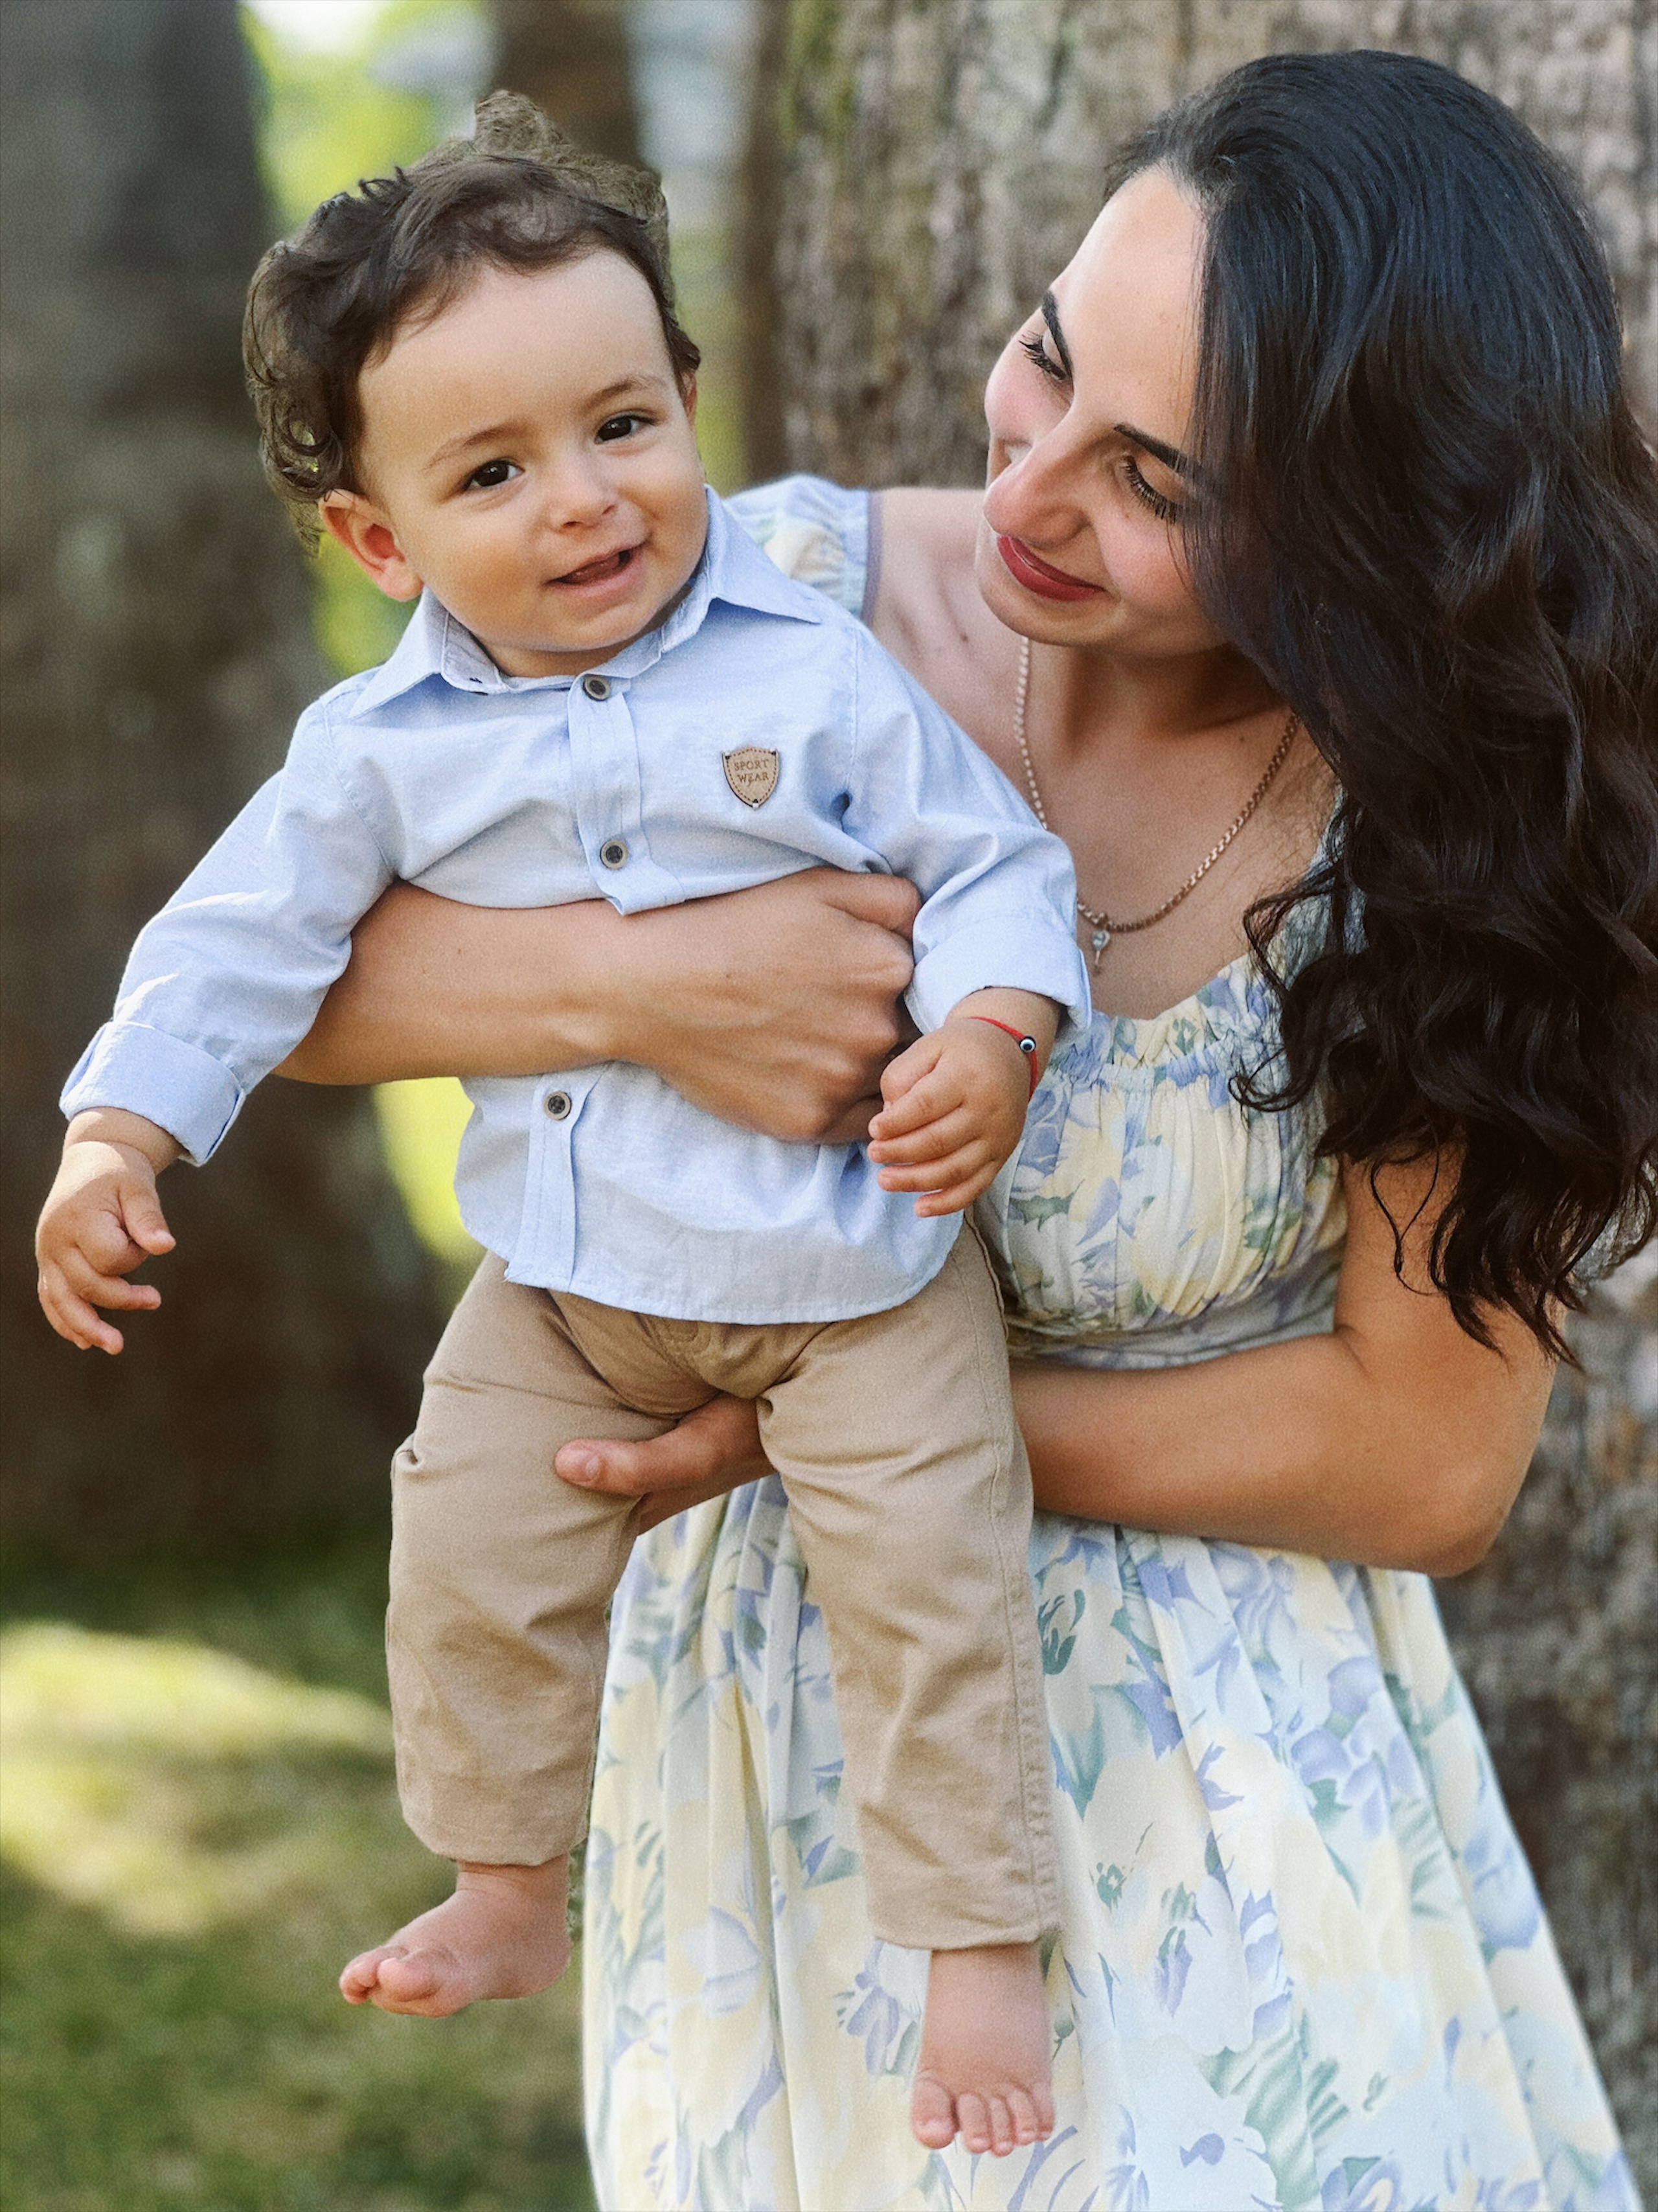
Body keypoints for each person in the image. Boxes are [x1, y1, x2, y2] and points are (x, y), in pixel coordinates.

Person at [278, 52, 1649, 2206]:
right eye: (1044, 359)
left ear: (1376, 532)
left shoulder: (1440, 838)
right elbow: (271, 962)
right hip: (768, 1777)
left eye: (1162, 485)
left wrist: (807, 1428)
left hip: (1220, 1798)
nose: (1030, 491)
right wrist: (642, 988)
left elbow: (1430, 1455)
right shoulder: (735, 601)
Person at [32, 96, 1107, 2156]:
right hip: (573, 1288)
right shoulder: (377, 753)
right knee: (462, 1537)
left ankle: (979, 1943)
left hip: (854, 1273)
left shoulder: (818, 660)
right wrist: (117, 1140)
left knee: (933, 1581)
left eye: (625, 424)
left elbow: (990, 865)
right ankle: (508, 1878)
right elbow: (234, 947)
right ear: (378, 539)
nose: (588, 501)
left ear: (688, 400)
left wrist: (991, 1029)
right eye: (494, 471)